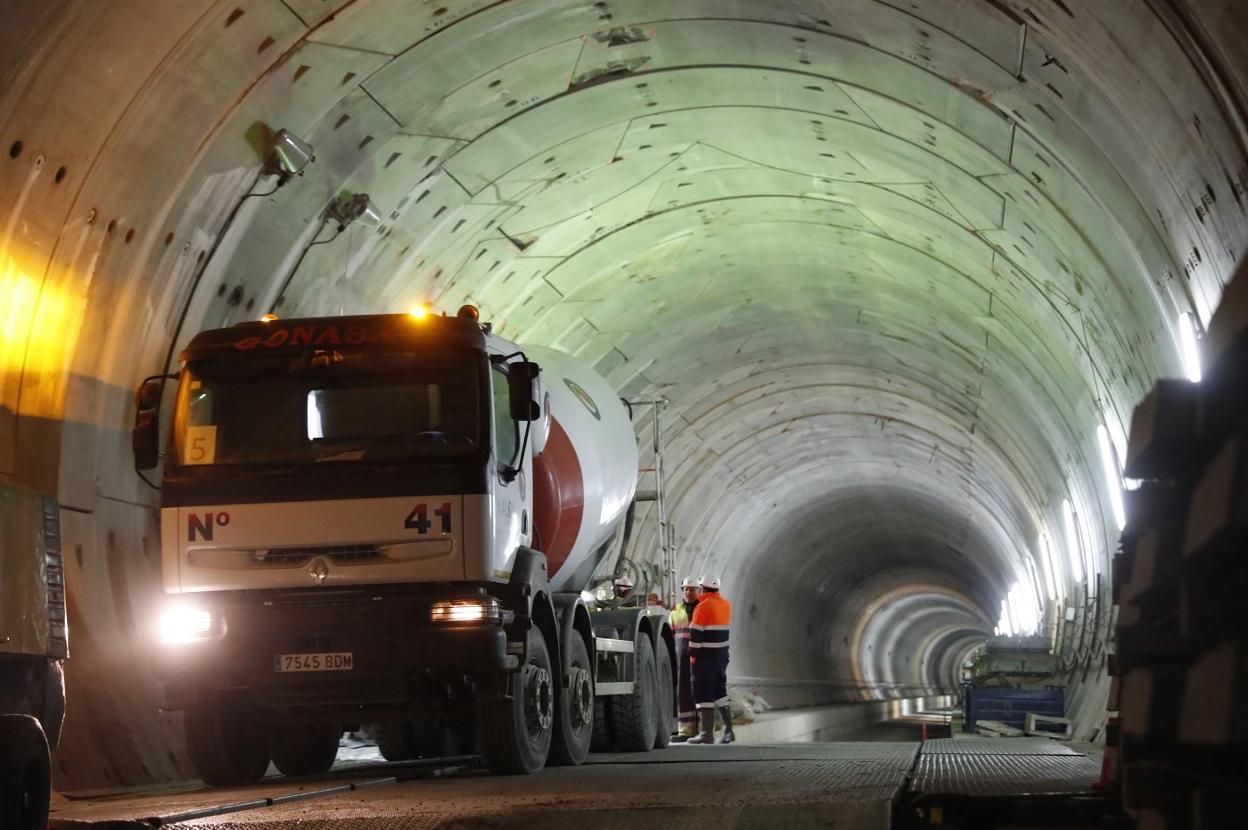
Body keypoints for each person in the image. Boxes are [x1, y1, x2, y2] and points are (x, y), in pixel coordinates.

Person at [687, 575, 734, 744]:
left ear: (702, 588)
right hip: (721, 656)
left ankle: (706, 733)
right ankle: (729, 730)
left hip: (705, 657)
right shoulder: (726, 605)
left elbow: (696, 633)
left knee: (702, 691)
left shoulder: (703, 606)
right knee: (720, 691)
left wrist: (692, 655)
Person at [667, 577, 701, 742]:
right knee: (683, 692)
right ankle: (686, 730)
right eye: (686, 589)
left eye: (692, 589)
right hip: (681, 658)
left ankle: (702, 729)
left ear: (699, 591)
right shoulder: (675, 611)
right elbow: (670, 635)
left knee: (701, 691)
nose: (688, 592)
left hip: (700, 656)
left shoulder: (702, 609)